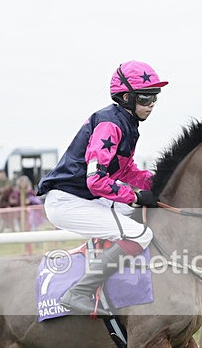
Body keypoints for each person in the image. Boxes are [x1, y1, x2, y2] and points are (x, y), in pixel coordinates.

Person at [37, 60, 167, 315]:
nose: (151, 104)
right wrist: (135, 195)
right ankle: (79, 292)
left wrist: (160, 184)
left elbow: (127, 170)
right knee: (141, 235)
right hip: (70, 201)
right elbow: (95, 181)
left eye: (155, 98)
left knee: (139, 218)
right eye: (145, 97)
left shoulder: (128, 124)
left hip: (86, 198)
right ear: (126, 96)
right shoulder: (111, 123)